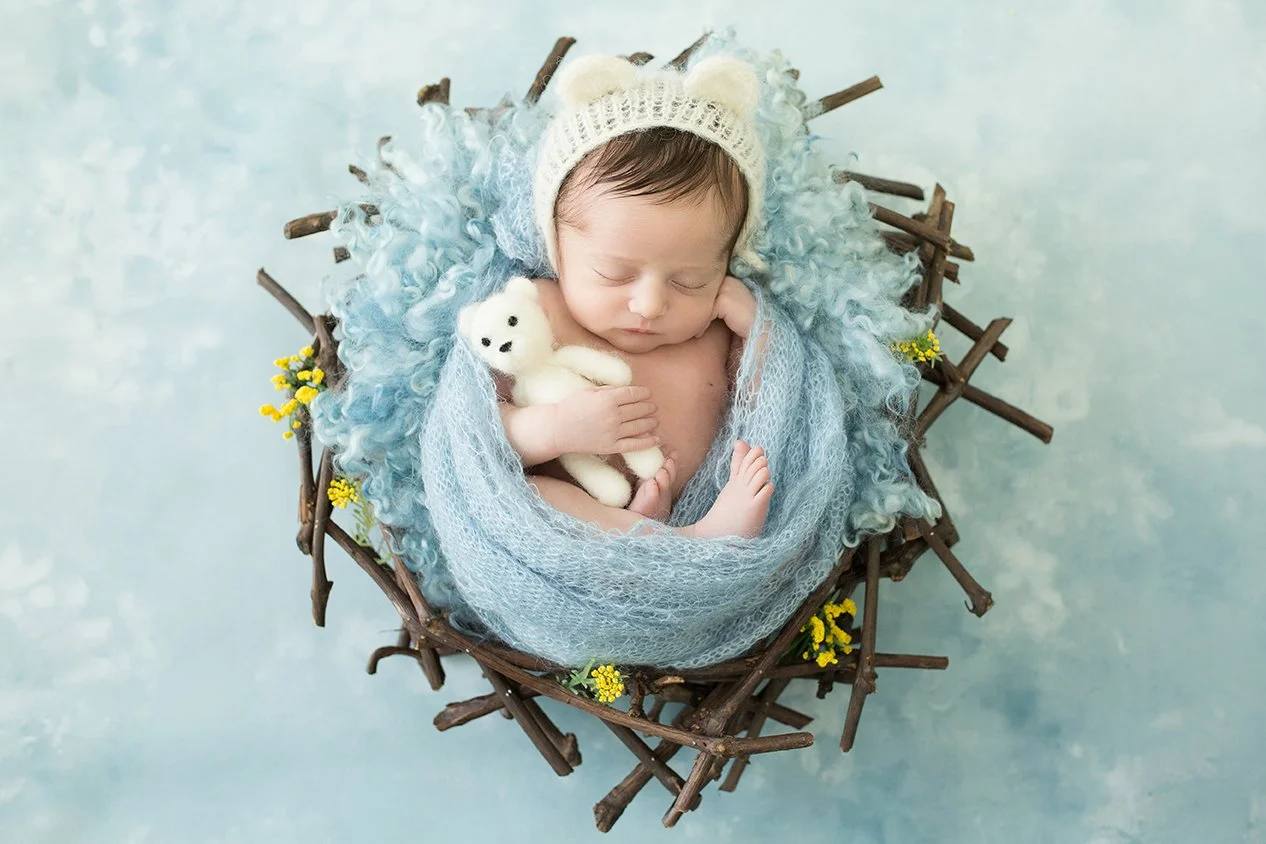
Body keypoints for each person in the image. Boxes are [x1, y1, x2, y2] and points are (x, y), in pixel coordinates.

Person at [499, 55, 774, 539]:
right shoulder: (536, 311)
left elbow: (768, 416)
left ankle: (682, 535)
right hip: (577, 529)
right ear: (556, 249)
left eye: (689, 280)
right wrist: (557, 428)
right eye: (612, 273)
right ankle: (670, 542)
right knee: (537, 497)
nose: (649, 305)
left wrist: (760, 339)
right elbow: (481, 437)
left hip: (699, 500)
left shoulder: (719, 328)